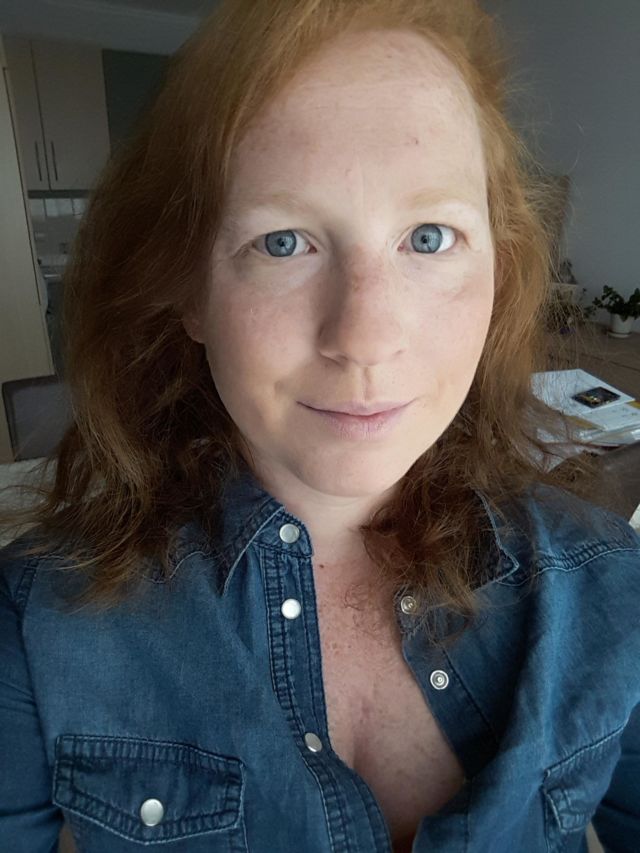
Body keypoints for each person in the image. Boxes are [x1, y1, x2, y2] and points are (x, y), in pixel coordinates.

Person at [0, 1, 638, 851]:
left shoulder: (612, 583)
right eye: (283, 242)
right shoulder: (34, 622)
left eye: (430, 236)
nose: (365, 337)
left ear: (501, 265)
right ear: (187, 289)